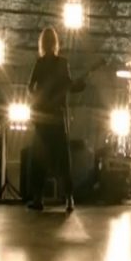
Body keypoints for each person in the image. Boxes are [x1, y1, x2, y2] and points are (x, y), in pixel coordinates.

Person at [27, 26, 85, 212]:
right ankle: (68, 198)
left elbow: (30, 87)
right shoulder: (60, 63)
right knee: (61, 159)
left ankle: (39, 198)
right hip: (54, 117)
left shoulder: (41, 63)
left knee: (41, 158)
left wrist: (38, 100)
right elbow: (69, 86)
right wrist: (79, 85)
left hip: (46, 117)